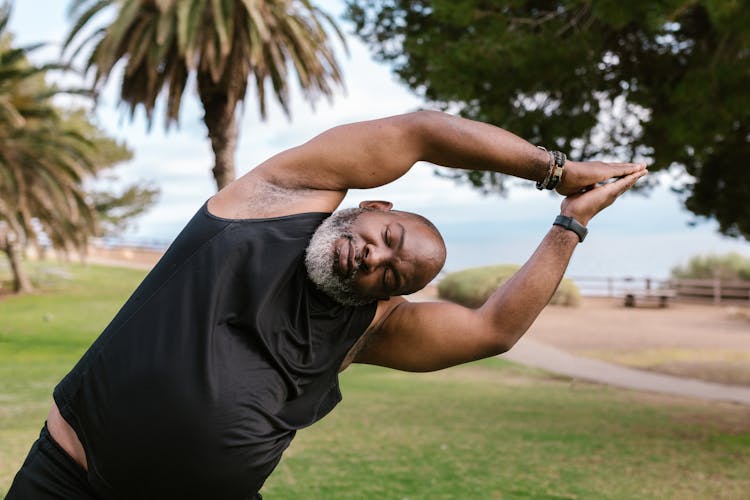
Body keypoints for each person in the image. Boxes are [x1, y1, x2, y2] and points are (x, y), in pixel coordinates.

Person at [7, 110, 647, 499]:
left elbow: (492, 330)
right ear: (376, 207)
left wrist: (569, 224)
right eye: (388, 240)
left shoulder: (367, 327)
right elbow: (419, 132)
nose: (375, 258)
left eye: (393, 274)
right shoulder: (274, 197)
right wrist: (556, 172)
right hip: (67, 481)